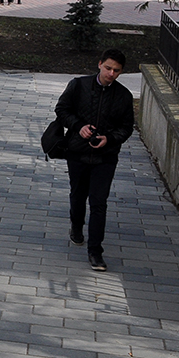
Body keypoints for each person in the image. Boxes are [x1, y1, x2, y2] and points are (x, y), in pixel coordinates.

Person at [54, 49, 135, 272]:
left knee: (99, 202)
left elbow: (127, 128)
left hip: (105, 157)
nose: (111, 73)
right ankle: (77, 226)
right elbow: (61, 109)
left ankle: (95, 251)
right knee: (78, 194)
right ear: (99, 64)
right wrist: (79, 127)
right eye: (108, 68)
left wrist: (109, 138)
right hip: (77, 152)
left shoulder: (123, 96)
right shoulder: (79, 85)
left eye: (116, 71)